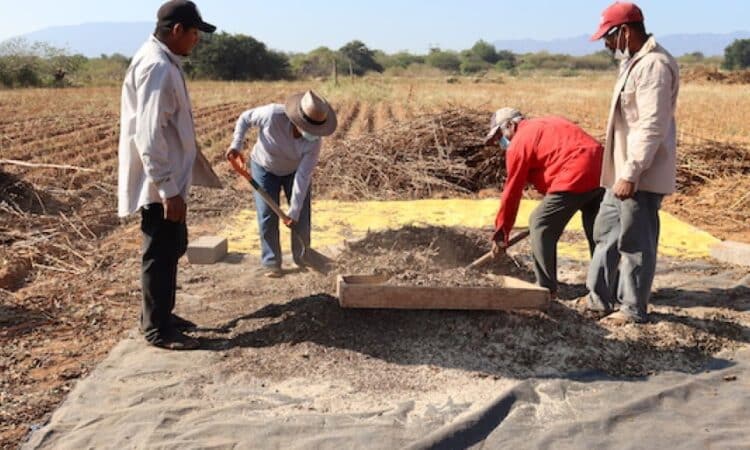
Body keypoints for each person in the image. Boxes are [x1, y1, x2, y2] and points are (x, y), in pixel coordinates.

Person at [117, 0, 218, 350]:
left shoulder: (163, 61)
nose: (196, 40)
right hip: (162, 184)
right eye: (194, 33)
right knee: (160, 253)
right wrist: (167, 188)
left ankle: (162, 313)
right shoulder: (157, 67)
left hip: (170, 180)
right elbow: (148, 134)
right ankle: (157, 329)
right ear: (177, 31)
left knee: (172, 246)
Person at [584, 2, 680, 324]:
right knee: (606, 233)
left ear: (624, 32)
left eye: (608, 38)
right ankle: (598, 299)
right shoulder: (632, 64)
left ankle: (632, 309)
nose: (606, 45)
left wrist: (632, 172)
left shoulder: (654, 66)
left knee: (635, 243)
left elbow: (651, 125)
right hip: (621, 171)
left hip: (639, 175)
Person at [485, 108, 604, 298]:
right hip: (602, 169)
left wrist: (501, 233)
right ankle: (606, 290)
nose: (501, 143)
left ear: (510, 125)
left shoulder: (519, 142)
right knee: (599, 235)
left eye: (500, 136)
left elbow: (512, 192)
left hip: (575, 172)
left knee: (540, 223)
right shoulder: (547, 123)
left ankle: (545, 288)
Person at [226, 91, 337, 278]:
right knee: (267, 214)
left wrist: (293, 212)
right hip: (264, 167)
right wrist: (236, 145)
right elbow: (245, 118)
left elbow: (303, 177)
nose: (312, 134)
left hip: (293, 172)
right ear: (297, 120)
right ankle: (271, 262)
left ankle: (303, 256)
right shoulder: (272, 115)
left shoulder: (314, 143)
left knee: (301, 213)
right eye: (308, 128)